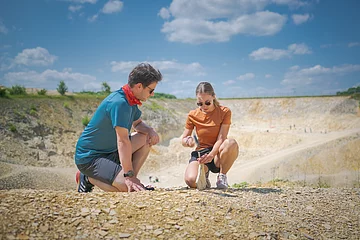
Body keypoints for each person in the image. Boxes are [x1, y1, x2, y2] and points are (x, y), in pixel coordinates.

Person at [75, 63, 162, 193]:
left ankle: (131, 180)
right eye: (151, 90)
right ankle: (87, 178)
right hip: (90, 157)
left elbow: (137, 124)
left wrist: (150, 130)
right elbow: (123, 141)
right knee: (126, 190)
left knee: (145, 137)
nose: (153, 94)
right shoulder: (119, 103)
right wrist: (128, 175)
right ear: (139, 86)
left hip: (110, 152)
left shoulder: (130, 100)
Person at [181, 82, 239, 189]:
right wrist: (188, 141)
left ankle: (222, 176)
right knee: (190, 181)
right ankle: (204, 175)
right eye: (200, 103)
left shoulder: (224, 112)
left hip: (217, 153)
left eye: (207, 103)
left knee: (231, 143)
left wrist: (211, 155)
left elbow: (221, 138)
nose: (204, 106)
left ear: (213, 97)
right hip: (201, 154)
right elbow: (184, 139)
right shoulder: (192, 115)